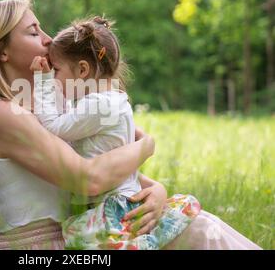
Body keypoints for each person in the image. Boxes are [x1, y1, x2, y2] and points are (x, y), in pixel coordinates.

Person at [0, 0, 262, 250]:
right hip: (50, 249)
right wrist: (147, 145)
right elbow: (88, 179)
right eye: (34, 32)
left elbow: (102, 159)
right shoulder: (2, 116)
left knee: (200, 227)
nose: (48, 39)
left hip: (93, 234)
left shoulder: (52, 105)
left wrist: (155, 189)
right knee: (199, 233)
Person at [29, 15, 201, 250]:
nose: (54, 77)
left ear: (82, 70)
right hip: (117, 198)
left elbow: (55, 128)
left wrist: (42, 80)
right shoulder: (109, 101)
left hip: (112, 207)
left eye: (56, 70)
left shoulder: (99, 105)